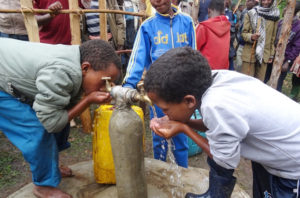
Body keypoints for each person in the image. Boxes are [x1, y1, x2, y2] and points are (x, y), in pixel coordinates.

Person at [144, 47, 300, 198]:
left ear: (189, 101)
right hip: (275, 157)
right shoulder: (212, 80)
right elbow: (217, 127)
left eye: (165, 109)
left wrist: (184, 128)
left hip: (292, 166)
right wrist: (187, 122)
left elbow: (224, 160)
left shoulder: (215, 104)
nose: (165, 114)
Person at [0, 38, 121, 198]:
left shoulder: (77, 63)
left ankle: (51, 167)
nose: (105, 87)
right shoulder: (61, 72)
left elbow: (64, 107)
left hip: (9, 69)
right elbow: (51, 123)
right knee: (37, 130)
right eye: (104, 82)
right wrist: (88, 100)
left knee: (61, 111)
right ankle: (43, 186)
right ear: (85, 68)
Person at [122, 0, 196, 168]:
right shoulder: (147, 27)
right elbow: (137, 59)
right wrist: (128, 85)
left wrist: (194, 84)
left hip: (181, 92)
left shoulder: (187, 22)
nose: (156, 1)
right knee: (159, 136)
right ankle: (160, 172)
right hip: (158, 92)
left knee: (180, 134)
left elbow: (194, 53)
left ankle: (182, 172)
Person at [264, 2, 300, 92]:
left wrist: (287, 62)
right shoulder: (281, 22)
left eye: (286, 8)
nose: (283, 9)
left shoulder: (298, 26)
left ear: (292, 11)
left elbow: (296, 47)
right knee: (264, 79)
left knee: (277, 84)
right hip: (273, 57)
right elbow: (274, 38)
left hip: (284, 60)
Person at [241, 0, 279, 81]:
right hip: (249, 55)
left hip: (264, 55)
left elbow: (273, 37)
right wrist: (251, 37)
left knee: (259, 83)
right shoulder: (251, 13)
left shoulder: (275, 16)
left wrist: (271, 54)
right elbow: (243, 33)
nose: (265, 2)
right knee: (246, 82)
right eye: (263, 0)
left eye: (268, 0)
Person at [196, 0, 231, 69]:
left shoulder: (203, 27)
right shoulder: (227, 25)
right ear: (223, 11)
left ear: (209, 10)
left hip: (206, 70)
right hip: (223, 69)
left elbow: (194, 48)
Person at [235, 0, 256, 72]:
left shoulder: (258, 13)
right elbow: (241, 25)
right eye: (247, 1)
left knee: (247, 69)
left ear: (255, 2)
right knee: (239, 65)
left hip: (250, 46)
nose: (247, 2)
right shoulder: (244, 12)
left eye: (250, 1)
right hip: (241, 43)